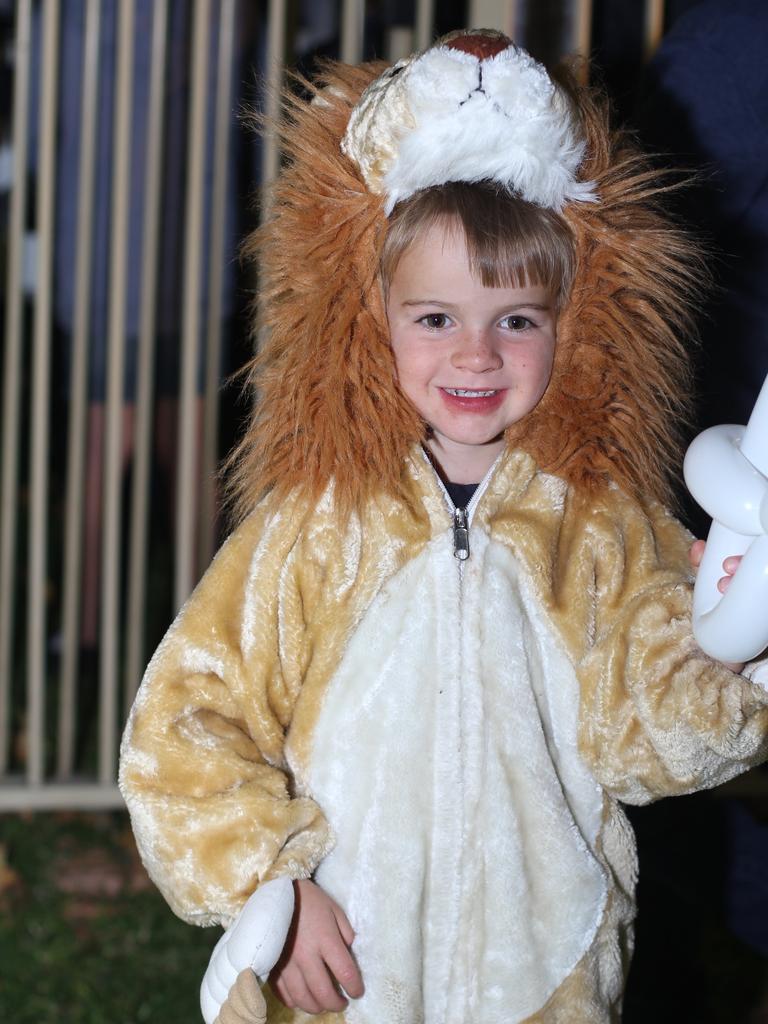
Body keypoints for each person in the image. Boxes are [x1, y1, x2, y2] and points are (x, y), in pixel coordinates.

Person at [119, 30, 768, 1023]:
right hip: (351, 974)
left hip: (545, 970)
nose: (477, 352)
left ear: (574, 325)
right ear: (370, 317)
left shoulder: (601, 524)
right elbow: (184, 723)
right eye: (435, 318)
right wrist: (270, 888)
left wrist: (729, 656)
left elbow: (645, 733)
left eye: (517, 318)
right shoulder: (315, 524)